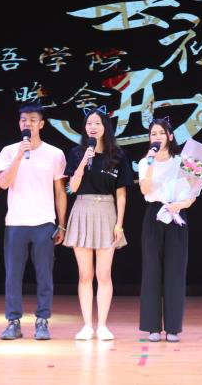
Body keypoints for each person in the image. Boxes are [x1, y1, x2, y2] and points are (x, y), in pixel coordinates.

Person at [0, 103, 68, 341]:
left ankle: (42, 320)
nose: (27, 124)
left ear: (41, 124)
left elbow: (60, 191)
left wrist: (61, 223)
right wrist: (19, 155)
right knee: (12, 275)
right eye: (23, 120)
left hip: (44, 222)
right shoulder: (9, 151)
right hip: (16, 222)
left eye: (32, 120)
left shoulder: (55, 153)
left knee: (44, 275)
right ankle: (13, 322)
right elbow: (3, 183)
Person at [64, 108, 132, 341]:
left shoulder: (118, 155)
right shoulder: (76, 153)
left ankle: (102, 325)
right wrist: (84, 160)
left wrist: (119, 224)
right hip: (82, 209)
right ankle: (86, 326)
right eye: (89, 123)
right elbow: (72, 188)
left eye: (97, 123)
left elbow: (121, 193)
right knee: (85, 275)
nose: (92, 127)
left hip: (107, 211)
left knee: (104, 275)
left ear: (105, 127)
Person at [138, 118, 193, 342]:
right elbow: (145, 189)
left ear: (170, 136)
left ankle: (172, 328)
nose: (157, 137)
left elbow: (193, 193)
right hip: (155, 214)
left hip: (176, 214)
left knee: (175, 271)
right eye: (153, 134)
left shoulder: (182, 161)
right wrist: (150, 163)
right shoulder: (145, 162)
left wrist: (180, 205)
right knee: (151, 270)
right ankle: (152, 327)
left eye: (161, 133)